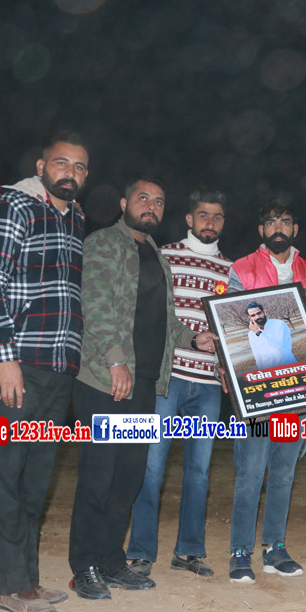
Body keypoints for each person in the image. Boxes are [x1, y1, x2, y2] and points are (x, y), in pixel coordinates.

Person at [68, 177, 217, 600]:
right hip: (105, 380)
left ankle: (112, 561)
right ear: (124, 203)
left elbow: (165, 320)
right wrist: (115, 360)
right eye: (143, 198)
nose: (151, 206)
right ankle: (84, 566)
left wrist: (194, 339)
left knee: (129, 478)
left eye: (158, 201)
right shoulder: (103, 243)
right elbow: (95, 305)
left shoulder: (156, 255)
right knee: (98, 477)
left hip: (146, 383)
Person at [0, 131, 88, 612]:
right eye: (61, 163)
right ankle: (10, 584)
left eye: (80, 166)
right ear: (41, 167)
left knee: (37, 477)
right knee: (7, 473)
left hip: (58, 366)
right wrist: (3, 356)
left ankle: (28, 579)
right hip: (16, 363)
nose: (70, 173)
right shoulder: (13, 205)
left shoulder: (74, 217)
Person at [127, 189, 232, 579]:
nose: (210, 222)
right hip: (166, 379)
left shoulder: (231, 269)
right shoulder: (165, 255)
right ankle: (141, 552)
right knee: (150, 467)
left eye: (217, 217)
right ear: (189, 219)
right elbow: (153, 314)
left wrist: (228, 367)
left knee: (199, 472)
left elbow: (233, 328)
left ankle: (188, 552)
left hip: (208, 384)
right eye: (203, 215)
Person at [226, 199, 306, 583]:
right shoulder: (242, 268)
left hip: (297, 389)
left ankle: (274, 548)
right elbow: (230, 326)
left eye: (285, 221)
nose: (277, 227)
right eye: (270, 222)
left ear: (294, 229)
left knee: (283, 472)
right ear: (261, 230)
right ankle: (240, 552)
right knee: (250, 472)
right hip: (255, 390)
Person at [244, 302, 297, 370]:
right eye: (253, 315)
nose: (257, 317)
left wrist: (258, 333)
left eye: (259, 313)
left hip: (288, 366)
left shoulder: (279, 324)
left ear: (264, 311)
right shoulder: (251, 333)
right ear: (250, 318)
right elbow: (257, 356)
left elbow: (278, 346)